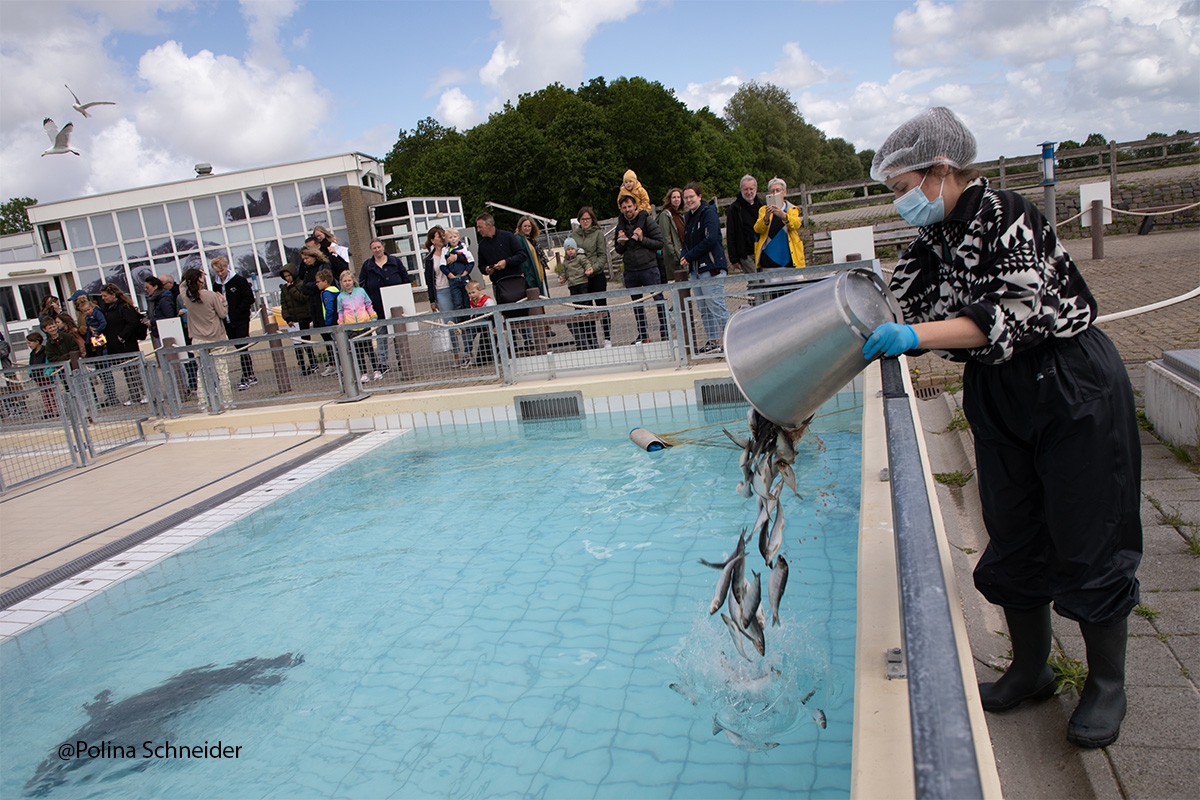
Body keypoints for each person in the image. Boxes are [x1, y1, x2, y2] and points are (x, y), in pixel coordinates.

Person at [862, 107, 1141, 750]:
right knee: (1012, 528)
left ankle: (1106, 683)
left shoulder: (1010, 215)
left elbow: (1007, 316)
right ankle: (1030, 668)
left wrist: (912, 337)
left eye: (903, 188)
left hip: (1069, 384)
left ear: (939, 171)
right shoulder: (932, 240)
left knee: (1088, 530)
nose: (901, 202)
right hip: (999, 392)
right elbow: (896, 302)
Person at [679, 183, 730, 353]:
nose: (688, 200)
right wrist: (683, 255)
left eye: (691, 196)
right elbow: (686, 241)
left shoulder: (709, 213)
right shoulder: (688, 217)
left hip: (711, 267)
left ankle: (729, 341)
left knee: (716, 304)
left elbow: (710, 239)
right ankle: (712, 341)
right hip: (696, 270)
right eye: (686, 198)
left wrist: (690, 255)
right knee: (703, 307)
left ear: (699, 196)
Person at [614, 195, 668, 345]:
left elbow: (659, 243)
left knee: (658, 299)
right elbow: (618, 249)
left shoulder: (648, 222)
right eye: (624, 207)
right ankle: (643, 334)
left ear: (635, 206)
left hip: (649, 267)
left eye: (629, 206)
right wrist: (621, 242)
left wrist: (642, 239)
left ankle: (665, 331)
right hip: (631, 270)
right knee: (637, 304)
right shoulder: (620, 225)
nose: (627, 210)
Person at [474, 213, 531, 350]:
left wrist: (506, 262)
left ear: (489, 226)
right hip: (498, 284)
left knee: (522, 312)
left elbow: (522, 255)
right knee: (506, 314)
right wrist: (486, 269)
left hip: (516, 282)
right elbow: (481, 265)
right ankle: (513, 345)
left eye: (480, 227)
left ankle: (529, 342)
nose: (478, 230)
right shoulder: (482, 245)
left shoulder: (508, 237)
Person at [180, 267, 231, 406]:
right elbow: (222, 314)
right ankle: (227, 401)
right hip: (216, 337)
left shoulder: (186, 297)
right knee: (222, 372)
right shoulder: (211, 295)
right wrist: (223, 301)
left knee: (201, 373)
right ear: (200, 280)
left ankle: (202, 402)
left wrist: (191, 275)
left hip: (198, 338)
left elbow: (182, 285)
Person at [359, 237, 411, 373]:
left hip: (396, 304)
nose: (377, 250)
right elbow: (362, 284)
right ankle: (382, 363)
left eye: (379, 247)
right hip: (377, 305)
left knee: (397, 332)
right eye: (374, 248)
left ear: (383, 247)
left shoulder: (394, 261)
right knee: (381, 334)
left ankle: (402, 360)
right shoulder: (367, 265)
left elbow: (405, 278)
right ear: (371, 250)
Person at [209, 256, 256, 391]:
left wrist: (238, 311)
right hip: (226, 320)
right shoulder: (216, 284)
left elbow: (249, 298)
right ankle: (250, 373)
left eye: (221, 270)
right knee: (237, 345)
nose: (220, 274)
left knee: (243, 346)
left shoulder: (239, 280)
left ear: (226, 267)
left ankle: (246, 375)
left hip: (240, 319)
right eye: (217, 271)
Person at [98, 283, 148, 404]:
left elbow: (132, 322)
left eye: (105, 296)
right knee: (127, 371)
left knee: (134, 370)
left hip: (127, 343)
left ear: (113, 294)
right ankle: (134, 395)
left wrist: (122, 336)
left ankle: (146, 393)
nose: (103, 298)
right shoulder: (106, 309)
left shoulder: (124, 306)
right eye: (102, 296)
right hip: (115, 344)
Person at [572, 206, 611, 346]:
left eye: (587, 219)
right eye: (583, 219)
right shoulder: (573, 236)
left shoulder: (598, 234)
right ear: (579, 220)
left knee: (601, 306)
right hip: (581, 278)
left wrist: (593, 268)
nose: (585, 221)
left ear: (592, 219)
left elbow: (602, 255)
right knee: (585, 309)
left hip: (596, 275)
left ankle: (607, 338)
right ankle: (591, 339)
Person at [336, 269, 381, 383]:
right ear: (341, 282)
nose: (347, 283)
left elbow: (368, 304)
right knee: (359, 352)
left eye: (349, 280)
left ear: (353, 281)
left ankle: (376, 370)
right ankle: (363, 373)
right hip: (351, 327)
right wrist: (341, 323)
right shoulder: (340, 297)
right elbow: (340, 311)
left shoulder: (360, 291)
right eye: (345, 281)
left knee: (369, 350)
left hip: (364, 324)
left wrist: (373, 316)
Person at [557, 237, 600, 350]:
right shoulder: (566, 261)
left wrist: (588, 270)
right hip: (572, 284)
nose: (570, 251)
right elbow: (564, 271)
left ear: (575, 249)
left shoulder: (581, 257)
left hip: (582, 281)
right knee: (575, 299)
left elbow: (586, 264)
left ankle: (585, 311)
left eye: (572, 249)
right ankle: (578, 311)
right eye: (568, 249)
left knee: (584, 298)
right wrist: (562, 278)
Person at [753, 177, 806, 270]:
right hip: (769, 260)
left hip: (790, 260)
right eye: (772, 191)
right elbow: (757, 229)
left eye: (777, 190)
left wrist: (783, 215)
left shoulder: (791, 209)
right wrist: (766, 218)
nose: (775, 193)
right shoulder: (763, 210)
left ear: (784, 192)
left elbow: (797, 224)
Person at [75, 295, 118, 406]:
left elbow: (103, 323)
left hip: (101, 340)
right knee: (100, 369)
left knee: (105, 369)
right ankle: (109, 395)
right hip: (94, 343)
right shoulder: (86, 318)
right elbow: (88, 329)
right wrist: (88, 342)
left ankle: (112, 395)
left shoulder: (97, 313)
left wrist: (97, 331)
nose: (87, 312)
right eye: (84, 311)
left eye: (88, 310)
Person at [279, 266, 317, 375]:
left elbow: (302, 298)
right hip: (293, 320)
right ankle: (302, 365)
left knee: (306, 341)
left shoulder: (301, 284)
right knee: (296, 344)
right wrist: (287, 318)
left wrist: (292, 289)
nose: (287, 278)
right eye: (285, 276)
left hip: (303, 317)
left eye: (289, 275)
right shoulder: (284, 288)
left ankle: (313, 362)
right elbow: (284, 304)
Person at [726, 175, 764, 275]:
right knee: (754, 282)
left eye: (751, 189)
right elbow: (731, 234)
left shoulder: (762, 206)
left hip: (762, 250)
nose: (749, 192)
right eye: (745, 189)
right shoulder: (734, 209)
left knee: (765, 282)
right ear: (741, 189)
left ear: (756, 188)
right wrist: (733, 258)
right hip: (745, 253)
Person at [462, 279, 496, 367]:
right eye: (469, 293)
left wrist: (495, 325)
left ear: (479, 290)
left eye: (473, 292)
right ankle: (467, 353)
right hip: (477, 321)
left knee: (474, 326)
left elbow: (494, 314)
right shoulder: (471, 302)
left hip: (487, 321)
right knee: (469, 334)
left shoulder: (487, 301)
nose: (471, 295)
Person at [514, 216, 550, 297]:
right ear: (520, 227)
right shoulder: (518, 239)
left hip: (538, 272)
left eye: (529, 226)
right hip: (529, 275)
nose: (527, 228)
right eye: (525, 226)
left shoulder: (531, 240)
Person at [314, 268, 340, 377]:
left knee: (337, 345)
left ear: (325, 282)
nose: (316, 284)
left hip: (332, 323)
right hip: (339, 320)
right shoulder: (336, 290)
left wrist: (327, 322)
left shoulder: (327, 293)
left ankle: (341, 366)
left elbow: (329, 309)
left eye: (318, 281)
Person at [25, 331, 58, 418]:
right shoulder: (32, 354)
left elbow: (49, 363)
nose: (29, 345)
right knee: (44, 394)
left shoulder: (45, 351)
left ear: (37, 341)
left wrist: (47, 373)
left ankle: (56, 408)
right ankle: (48, 409)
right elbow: (30, 364)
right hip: (38, 377)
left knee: (51, 393)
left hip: (46, 377)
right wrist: (30, 373)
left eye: (30, 343)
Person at [657, 188, 685, 285]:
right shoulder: (666, 215)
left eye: (678, 197)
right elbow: (665, 237)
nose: (676, 199)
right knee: (676, 284)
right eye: (674, 197)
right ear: (670, 199)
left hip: (682, 253)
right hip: (672, 256)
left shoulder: (680, 216)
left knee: (684, 284)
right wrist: (673, 253)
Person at [443, 228, 474, 311]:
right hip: (453, 279)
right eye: (450, 237)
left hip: (464, 277)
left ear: (458, 238)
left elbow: (471, 261)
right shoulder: (445, 250)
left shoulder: (463, 248)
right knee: (457, 303)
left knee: (467, 301)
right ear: (446, 239)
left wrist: (466, 272)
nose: (453, 239)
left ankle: (468, 321)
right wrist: (450, 275)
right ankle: (461, 322)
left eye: (455, 236)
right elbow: (442, 265)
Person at [144, 275, 177, 345]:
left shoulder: (164, 299)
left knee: (169, 354)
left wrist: (152, 321)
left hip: (166, 333)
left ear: (155, 286)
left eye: (147, 287)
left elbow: (169, 316)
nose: (146, 290)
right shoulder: (152, 300)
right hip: (157, 331)